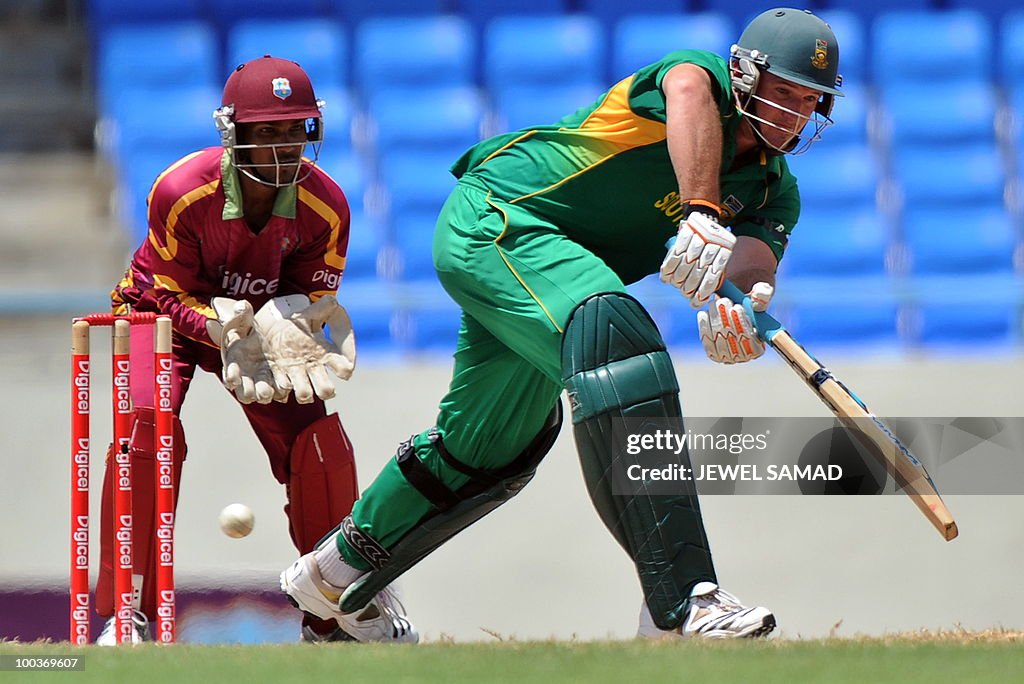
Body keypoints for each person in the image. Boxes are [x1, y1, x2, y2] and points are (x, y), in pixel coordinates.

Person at [280, 8, 842, 639]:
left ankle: (332, 579)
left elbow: (750, 264)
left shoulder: (774, 189)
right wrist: (702, 210)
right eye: (784, 92)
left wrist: (737, 304)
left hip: (551, 275)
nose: (794, 113)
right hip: (501, 220)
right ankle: (686, 601)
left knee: (490, 448)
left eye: (810, 101)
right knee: (619, 342)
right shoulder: (697, 79)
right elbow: (688, 90)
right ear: (744, 75)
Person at [96, 55, 417, 644]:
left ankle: (335, 613)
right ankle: (127, 614)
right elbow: (164, 289)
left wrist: (297, 326)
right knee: (146, 432)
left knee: (318, 445)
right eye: (267, 131)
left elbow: (307, 298)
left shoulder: (327, 208)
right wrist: (214, 327)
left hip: (258, 330)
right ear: (233, 132)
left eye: (295, 130)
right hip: (163, 313)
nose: (283, 146)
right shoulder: (180, 191)